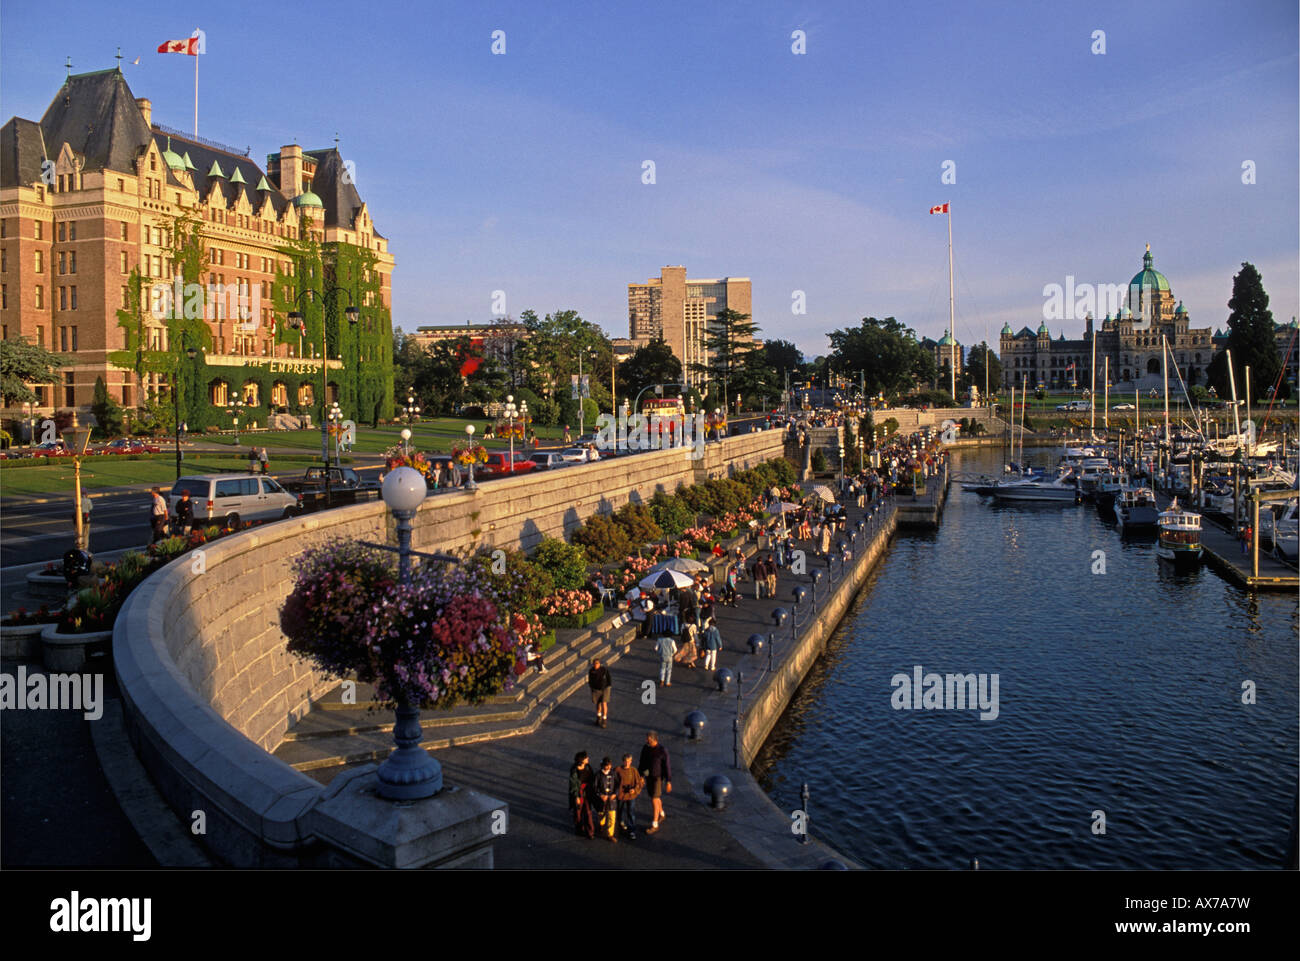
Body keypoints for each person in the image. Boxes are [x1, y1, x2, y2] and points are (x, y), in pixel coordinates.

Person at [638, 732, 672, 834]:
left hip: (658, 778)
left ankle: (655, 824)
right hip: (649, 776)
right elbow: (642, 762)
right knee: (655, 797)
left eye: (648, 740)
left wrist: (668, 781)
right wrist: (641, 776)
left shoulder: (662, 750)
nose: (646, 741)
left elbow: (667, 766)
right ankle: (661, 813)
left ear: (654, 740)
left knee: (654, 798)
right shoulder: (646, 748)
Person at [616, 753, 644, 840]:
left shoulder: (633, 770)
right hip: (620, 795)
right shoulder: (618, 770)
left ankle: (631, 830)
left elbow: (639, 783)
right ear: (623, 761)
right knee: (619, 811)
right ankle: (620, 824)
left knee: (631, 813)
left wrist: (634, 790)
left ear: (631, 761)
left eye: (629, 761)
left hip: (631, 796)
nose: (627, 763)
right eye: (626, 761)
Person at [568, 751, 595, 839]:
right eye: (586, 758)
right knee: (578, 813)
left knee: (588, 811)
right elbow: (573, 785)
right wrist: (576, 797)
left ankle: (590, 832)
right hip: (579, 792)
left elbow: (592, 779)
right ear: (582, 760)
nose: (588, 759)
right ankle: (579, 829)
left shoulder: (588, 767)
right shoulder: (574, 770)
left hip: (587, 792)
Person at [594, 757, 619, 842]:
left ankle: (610, 834)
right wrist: (601, 795)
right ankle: (601, 825)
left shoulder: (613, 773)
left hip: (612, 800)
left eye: (609, 765)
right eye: (607, 765)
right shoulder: (598, 774)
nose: (608, 767)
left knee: (612, 817)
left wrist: (615, 794)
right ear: (603, 765)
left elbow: (617, 785)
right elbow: (595, 787)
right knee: (601, 814)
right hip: (602, 800)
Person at [588, 658, 612, 727]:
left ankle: (604, 719)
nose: (596, 665)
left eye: (597, 663)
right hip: (596, 690)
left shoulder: (604, 670)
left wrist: (609, 686)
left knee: (604, 703)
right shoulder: (591, 671)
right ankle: (598, 717)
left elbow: (609, 678)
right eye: (594, 664)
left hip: (605, 689)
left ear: (599, 664)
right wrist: (591, 687)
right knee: (598, 703)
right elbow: (590, 680)